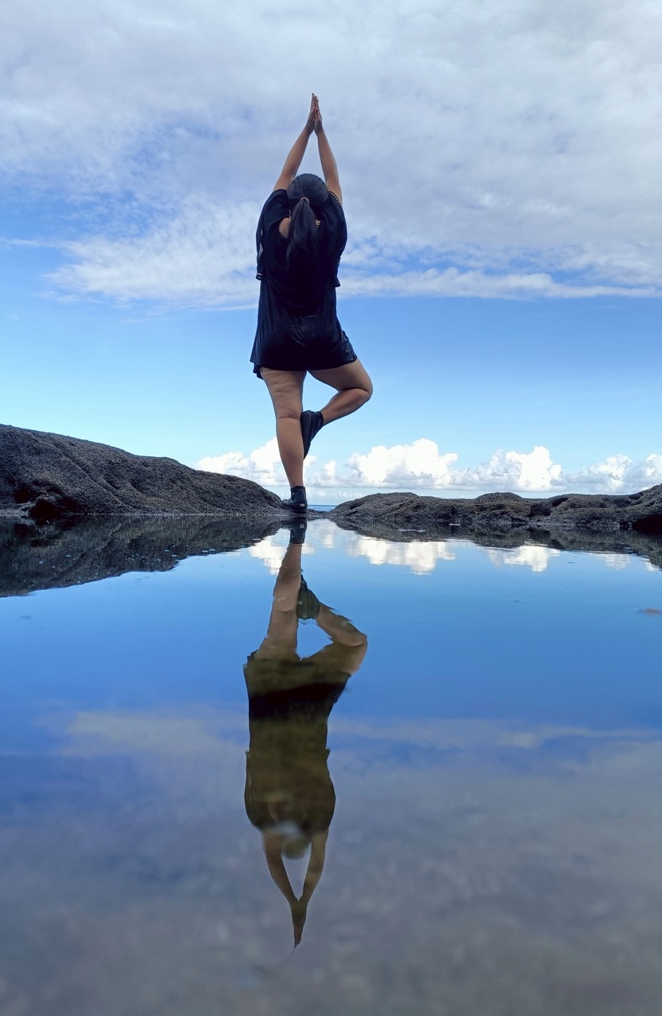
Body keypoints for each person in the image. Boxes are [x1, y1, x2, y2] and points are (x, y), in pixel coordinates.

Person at [243, 527, 368, 946]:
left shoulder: (304, 819)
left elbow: (312, 862)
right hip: (279, 694)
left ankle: (308, 595)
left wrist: (302, 900)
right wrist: (297, 900)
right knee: (284, 617)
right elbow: (280, 862)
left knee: (353, 643)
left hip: (300, 701)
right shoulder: (266, 818)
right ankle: (306, 597)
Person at [251, 94, 372, 513]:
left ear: (287, 201)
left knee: (286, 416)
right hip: (321, 338)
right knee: (361, 389)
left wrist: (304, 129)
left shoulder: (269, 227)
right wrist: (322, 132)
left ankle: (298, 497)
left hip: (276, 340)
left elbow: (285, 172)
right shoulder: (333, 231)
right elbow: (333, 178)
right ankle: (317, 421)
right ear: (324, 205)